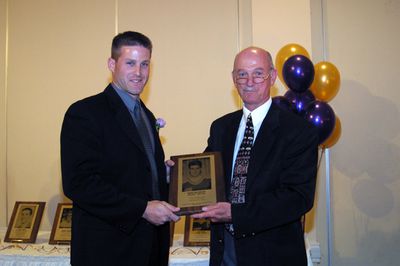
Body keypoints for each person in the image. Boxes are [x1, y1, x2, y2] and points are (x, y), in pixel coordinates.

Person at [61, 31, 180, 266]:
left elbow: (134, 173)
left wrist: (164, 177)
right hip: (109, 251)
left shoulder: (146, 115)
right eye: (130, 63)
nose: (139, 72)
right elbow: (79, 183)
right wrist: (142, 209)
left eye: (144, 64)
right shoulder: (85, 113)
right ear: (112, 64)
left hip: (150, 248)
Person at [192, 47, 318, 266]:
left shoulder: (298, 130)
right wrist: (175, 175)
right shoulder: (221, 127)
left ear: (273, 77)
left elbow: (298, 198)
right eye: (242, 74)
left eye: (258, 73)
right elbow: (209, 178)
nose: (249, 81)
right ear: (234, 79)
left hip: (273, 255)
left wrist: (236, 213)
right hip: (225, 253)